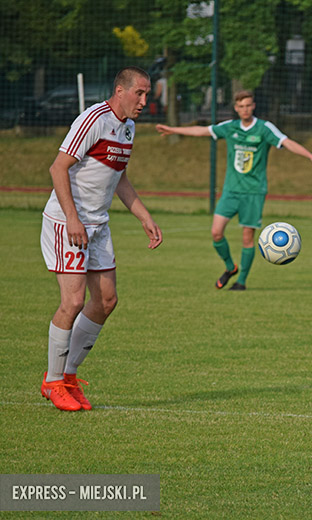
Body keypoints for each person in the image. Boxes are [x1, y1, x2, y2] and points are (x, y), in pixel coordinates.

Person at [40, 66, 163, 411]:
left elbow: (118, 177)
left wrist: (144, 216)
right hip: (69, 223)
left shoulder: (128, 128)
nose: (144, 100)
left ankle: (69, 376)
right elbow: (57, 168)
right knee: (73, 302)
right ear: (120, 90)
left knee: (107, 300)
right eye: (139, 93)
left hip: (98, 224)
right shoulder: (93, 118)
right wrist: (73, 218)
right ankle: (52, 381)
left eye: (147, 94)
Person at [156, 90, 312, 290]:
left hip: (254, 192)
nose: (245, 109)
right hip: (231, 191)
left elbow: (286, 142)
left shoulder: (264, 128)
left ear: (253, 106)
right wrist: (174, 130)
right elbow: (203, 130)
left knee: (247, 237)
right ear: (236, 108)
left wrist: (311, 156)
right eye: (241, 106)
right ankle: (230, 267)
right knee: (216, 233)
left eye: (248, 105)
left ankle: (241, 282)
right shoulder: (230, 127)